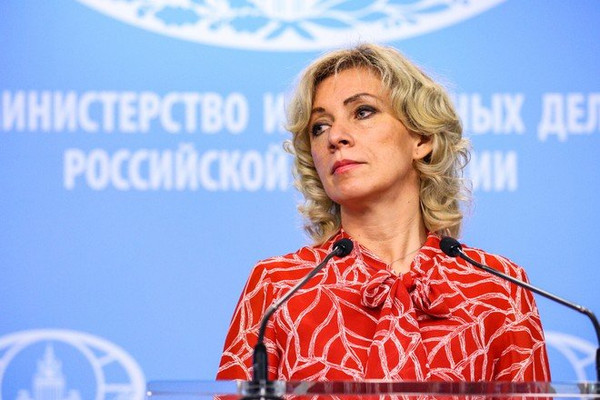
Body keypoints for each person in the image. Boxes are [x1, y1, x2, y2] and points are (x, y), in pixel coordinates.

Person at [216, 44, 550, 382]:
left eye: (362, 112)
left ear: (421, 137)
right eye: (320, 127)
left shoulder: (498, 287)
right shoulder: (279, 288)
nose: (335, 137)